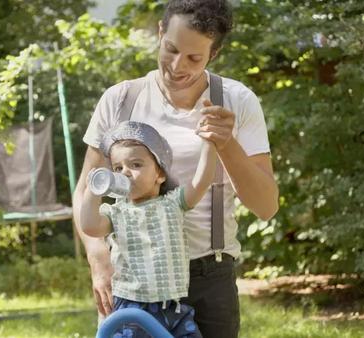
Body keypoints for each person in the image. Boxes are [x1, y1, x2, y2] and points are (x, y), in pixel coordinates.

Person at [73, 1, 279, 337]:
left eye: (194, 58)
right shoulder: (120, 99)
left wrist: (227, 144)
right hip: (133, 280)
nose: (177, 65)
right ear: (160, 31)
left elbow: (266, 206)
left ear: (213, 54)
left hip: (209, 278)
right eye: (170, 49)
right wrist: (99, 259)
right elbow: (86, 189)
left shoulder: (237, 101)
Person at [80, 120, 217, 337]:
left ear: (160, 174)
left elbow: (201, 182)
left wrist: (210, 144)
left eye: (135, 165)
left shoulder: (173, 204)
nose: (125, 172)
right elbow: (89, 226)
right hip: (132, 305)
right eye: (118, 168)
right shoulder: (117, 212)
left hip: (173, 307)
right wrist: (92, 190)